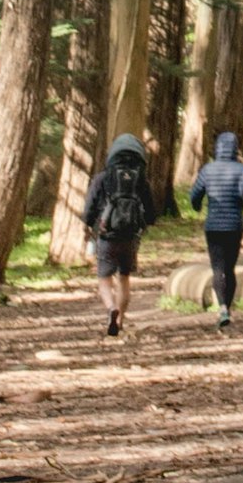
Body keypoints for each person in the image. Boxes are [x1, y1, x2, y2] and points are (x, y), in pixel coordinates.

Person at [181, 130, 243, 326]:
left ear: (218, 148)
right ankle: (228, 306)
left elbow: (194, 195)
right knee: (230, 268)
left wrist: (197, 206)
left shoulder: (208, 170)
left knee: (217, 269)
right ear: (235, 149)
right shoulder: (241, 170)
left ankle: (222, 309)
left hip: (213, 227)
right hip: (234, 226)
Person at [80, 134, 155, 337]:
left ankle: (111, 307)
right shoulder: (140, 179)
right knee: (124, 278)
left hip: (106, 235)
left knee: (104, 278)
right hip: (130, 236)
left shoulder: (103, 178)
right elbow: (150, 212)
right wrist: (146, 224)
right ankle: (120, 319)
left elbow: (89, 207)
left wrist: (87, 225)